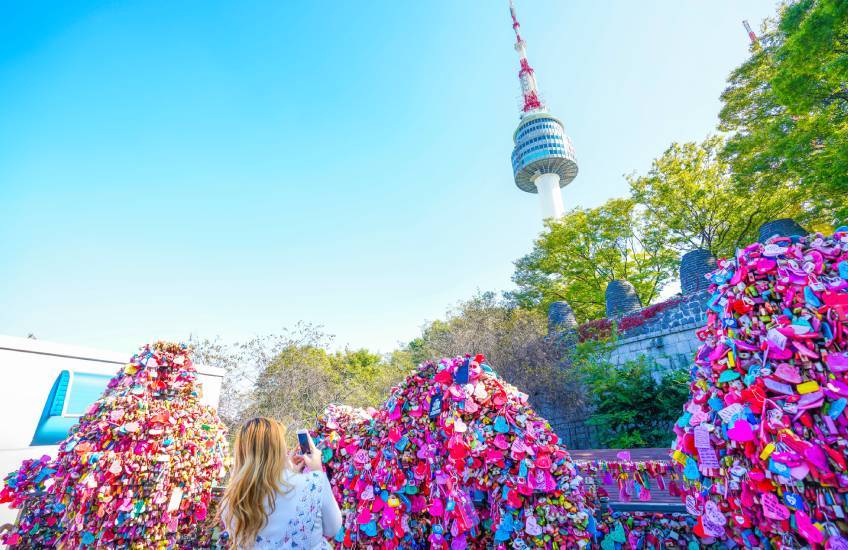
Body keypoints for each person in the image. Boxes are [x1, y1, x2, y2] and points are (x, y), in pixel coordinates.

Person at [219, 417, 342, 549]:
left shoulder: (232, 498)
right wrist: (317, 470)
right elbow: (332, 528)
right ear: (279, 448)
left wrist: (289, 473)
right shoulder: (313, 482)